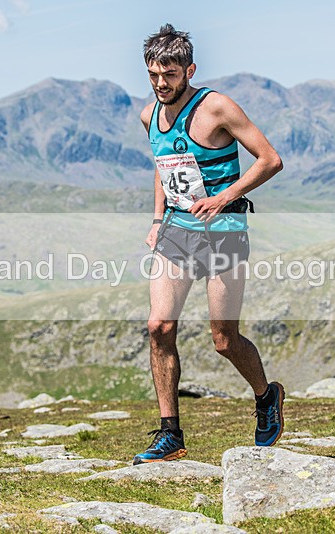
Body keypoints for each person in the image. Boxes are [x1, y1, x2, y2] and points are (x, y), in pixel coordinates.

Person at [133, 23, 285, 465]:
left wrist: (222, 198)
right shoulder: (149, 116)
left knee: (223, 338)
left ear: (189, 69)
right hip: (177, 233)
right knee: (159, 326)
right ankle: (170, 434)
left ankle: (265, 396)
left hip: (224, 233)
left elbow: (270, 159)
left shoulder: (216, 107)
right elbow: (164, 166)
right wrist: (158, 219)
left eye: (171, 74)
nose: (162, 84)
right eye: (154, 75)